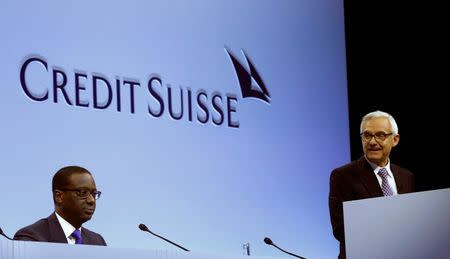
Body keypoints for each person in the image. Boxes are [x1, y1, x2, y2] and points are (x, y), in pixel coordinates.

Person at [328, 110, 414, 259]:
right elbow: (341, 230)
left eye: (380, 135)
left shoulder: (407, 177)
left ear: (395, 139)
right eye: (367, 135)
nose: (372, 141)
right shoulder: (342, 176)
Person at [14, 166, 106, 246]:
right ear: (59, 196)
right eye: (82, 193)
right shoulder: (32, 238)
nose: (91, 200)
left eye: (94, 194)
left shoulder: (97, 241)